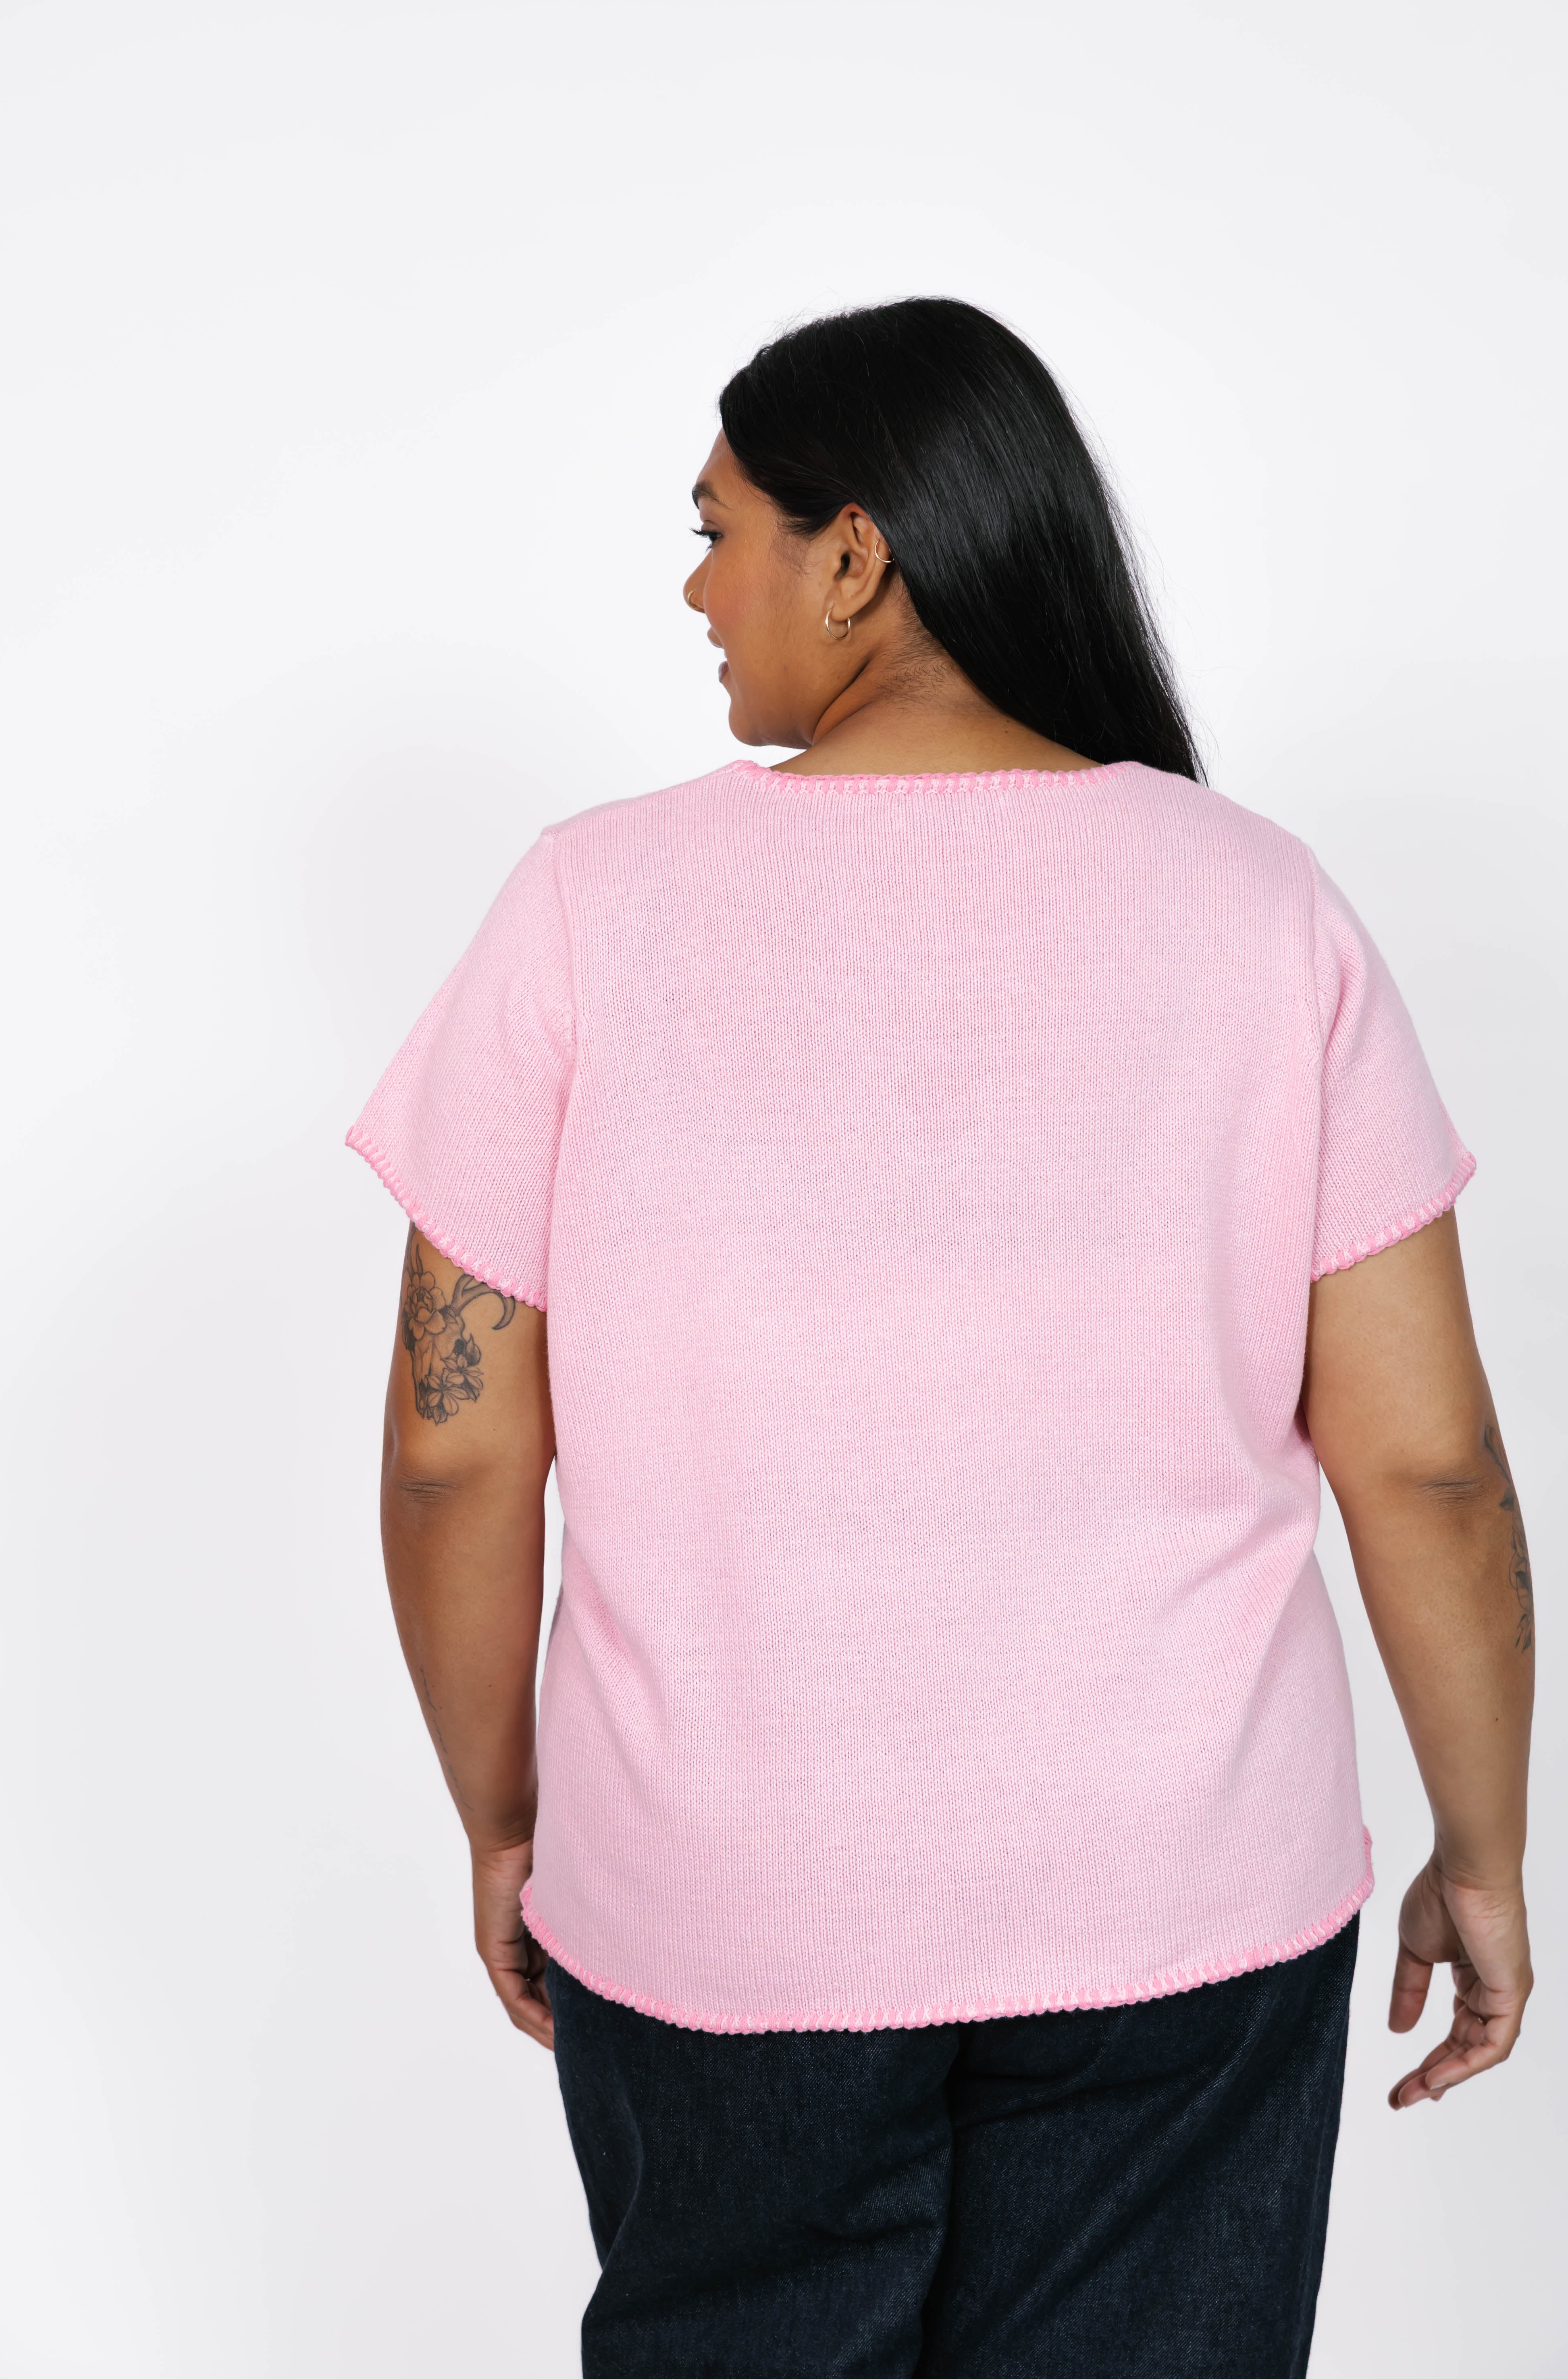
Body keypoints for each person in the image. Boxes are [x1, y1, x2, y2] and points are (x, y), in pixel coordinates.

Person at [348, 298, 1535, 2377]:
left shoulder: (588, 909)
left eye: (718, 530)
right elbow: (1425, 1464)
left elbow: (458, 1452)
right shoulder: (1263, 907)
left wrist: (508, 1818)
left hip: (725, 1905)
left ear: (856, 554)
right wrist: (1488, 1847)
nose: (696, 588)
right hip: (1184, 1903)